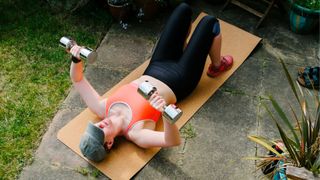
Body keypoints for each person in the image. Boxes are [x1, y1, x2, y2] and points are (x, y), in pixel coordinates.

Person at [70, 3, 233, 162]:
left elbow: (77, 79)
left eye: (95, 126)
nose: (100, 125)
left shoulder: (101, 108)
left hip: (156, 66)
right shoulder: (137, 133)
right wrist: (167, 116)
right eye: (100, 132)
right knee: (210, 22)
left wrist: (76, 58)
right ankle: (217, 66)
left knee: (183, 10)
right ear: (110, 143)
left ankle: (180, 49)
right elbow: (172, 141)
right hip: (180, 79)